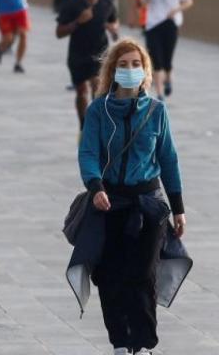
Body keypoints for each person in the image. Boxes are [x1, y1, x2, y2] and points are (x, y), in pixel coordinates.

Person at [77, 39, 185, 355]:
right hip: (110, 202)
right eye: (123, 65)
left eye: (135, 64)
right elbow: (88, 153)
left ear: (145, 70)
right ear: (112, 71)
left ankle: (144, 344)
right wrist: (95, 187)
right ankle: (120, 343)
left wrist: (178, 208)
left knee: (142, 275)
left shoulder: (156, 111)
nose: (129, 70)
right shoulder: (98, 111)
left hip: (149, 205)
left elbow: (169, 159)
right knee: (109, 276)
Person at [57, 0, 119, 129]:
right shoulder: (72, 5)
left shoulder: (107, 4)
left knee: (98, 86)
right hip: (77, 55)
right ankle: (83, 123)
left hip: (100, 53)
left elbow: (113, 21)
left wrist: (113, 29)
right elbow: (59, 32)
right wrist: (77, 22)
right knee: (81, 90)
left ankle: (96, 122)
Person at [140, 0, 193, 100]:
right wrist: (145, 0)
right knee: (156, 59)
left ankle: (168, 78)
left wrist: (176, 10)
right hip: (152, 25)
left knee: (167, 59)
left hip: (170, 23)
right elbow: (143, 3)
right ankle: (160, 93)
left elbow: (188, 1)